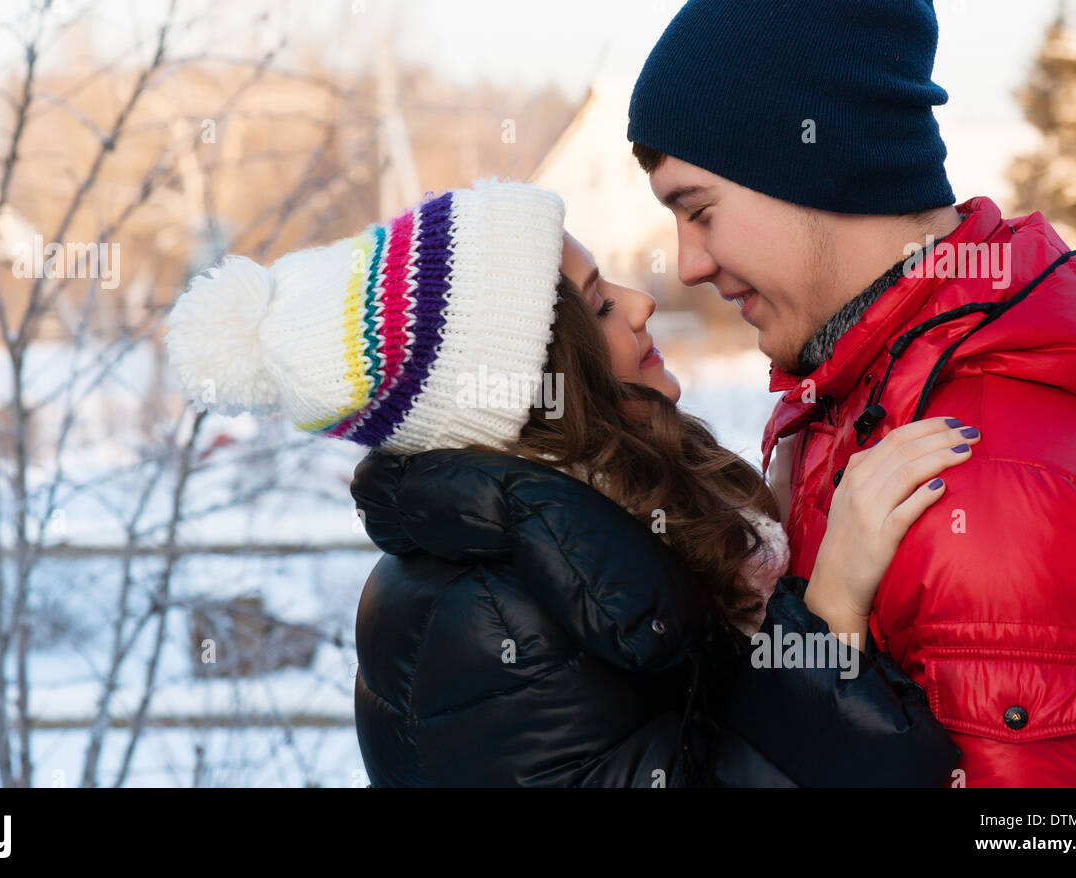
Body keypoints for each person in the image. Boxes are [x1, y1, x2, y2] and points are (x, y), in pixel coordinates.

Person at [165, 179, 973, 786]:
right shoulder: (488, 623)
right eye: (596, 303)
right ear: (535, 384)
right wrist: (824, 614)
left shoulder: (585, 531)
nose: (642, 301)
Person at [627, 0, 1076, 787]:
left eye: (699, 211)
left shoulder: (988, 480)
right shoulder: (855, 398)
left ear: (814, 163)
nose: (690, 263)